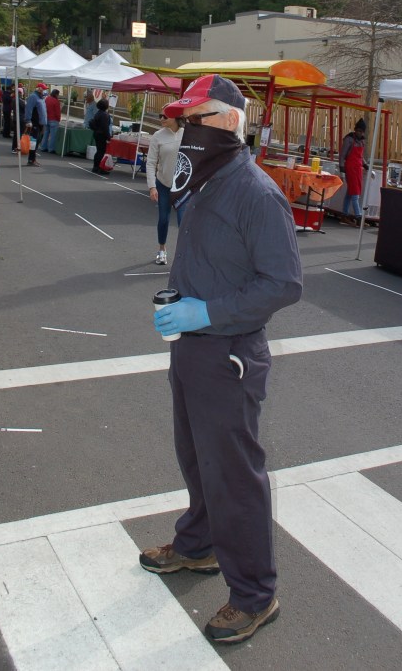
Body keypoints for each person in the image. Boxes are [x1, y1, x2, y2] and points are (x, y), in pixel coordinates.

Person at [140, 75, 303, 645]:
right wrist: (182, 301)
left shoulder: (257, 193)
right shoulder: (207, 182)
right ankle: (198, 545)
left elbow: (283, 284)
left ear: (230, 121)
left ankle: (256, 594)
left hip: (229, 352)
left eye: (198, 118)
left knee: (234, 476)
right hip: (195, 349)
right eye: (183, 120)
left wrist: (203, 312)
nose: (188, 130)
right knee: (197, 458)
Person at [147, 110, 185, 265]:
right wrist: (151, 186)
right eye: (160, 115)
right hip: (163, 185)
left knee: (184, 221)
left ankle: (183, 255)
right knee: (163, 219)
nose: (161, 118)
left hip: (183, 186)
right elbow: (150, 162)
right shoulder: (158, 136)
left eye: (165, 116)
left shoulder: (188, 134)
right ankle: (162, 250)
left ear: (176, 117)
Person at [339, 117, 368, 224]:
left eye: (361, 131)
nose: (359, 133)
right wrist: (342, 169)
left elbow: (361, 156)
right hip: (350, 168)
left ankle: (344, 215)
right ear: (355, 130)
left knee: (350, 193)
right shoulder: (349, 139)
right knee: (355, 193)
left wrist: (365, 165)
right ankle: (358, 216)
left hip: (358, 168)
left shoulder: (362, 141)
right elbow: (342, 155)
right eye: (358, 130)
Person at [25, 83, 48, 166]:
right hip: (35, 123)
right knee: (33, 142)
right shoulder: (33, 97)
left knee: (36, 142)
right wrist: (28, 120)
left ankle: (33, 158)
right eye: (44, 89)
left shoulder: (41, 98)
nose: (45, 91)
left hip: (40, 123)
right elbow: (28, 109)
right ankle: (31, 159)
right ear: (39, 89)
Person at [90, 98, 112, 174]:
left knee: (99, 151)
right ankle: (99, 167)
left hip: (97, 133)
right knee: (101, 152)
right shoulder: (105, 115)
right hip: (102, 135)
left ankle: (96, 166)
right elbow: (105, 127)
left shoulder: (98, 113)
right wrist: (109, 137)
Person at [42, 89, 62, 153]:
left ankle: (43, 147)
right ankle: (51, 148)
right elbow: (57, 112)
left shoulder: (47, 99)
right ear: (56, 94)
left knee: (46, 133)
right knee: (53, 135)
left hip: (47, 118)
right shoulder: (56, 101)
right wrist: (58, 119)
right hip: (54, 119)